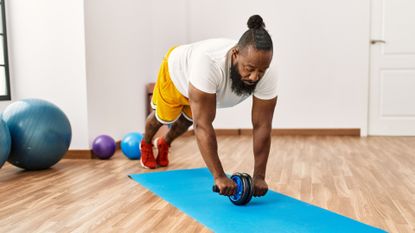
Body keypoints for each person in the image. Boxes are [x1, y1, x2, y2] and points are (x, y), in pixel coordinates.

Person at [141, 14, 278, 197]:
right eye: (249, 69)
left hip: (200, 86)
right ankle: (147, 143)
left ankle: (164, 143)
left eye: (261, 71)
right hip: (176, 74)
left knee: (186, 121)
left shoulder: (267, 72)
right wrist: (219, 176)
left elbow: (262, 125)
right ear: (236, 54)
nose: (255, 77)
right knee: (163, 118)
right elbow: (203, 125)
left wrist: (259, 176)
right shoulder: (209, 63)